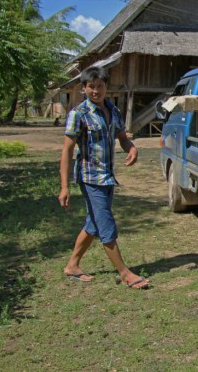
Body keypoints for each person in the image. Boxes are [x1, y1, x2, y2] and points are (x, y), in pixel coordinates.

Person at [58, 67, 149, 289]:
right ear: (84, 88)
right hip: (90, 179)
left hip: (107, 177)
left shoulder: (113, 111)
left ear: (106, 86)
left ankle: (72, 265)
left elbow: (122, 137)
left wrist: (132, 148)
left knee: (94, 222)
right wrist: (64, 187)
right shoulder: (78, 114)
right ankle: (125, 273)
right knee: (105, 223)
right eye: (91, 87)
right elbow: (67, 150)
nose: (96, 91)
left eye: (100, 86)